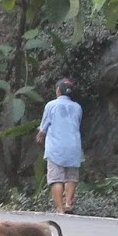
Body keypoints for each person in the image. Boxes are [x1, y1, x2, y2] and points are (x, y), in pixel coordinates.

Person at [37, 77, 84, 213]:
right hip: (74, 146)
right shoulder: (77, 107)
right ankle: (68, 203)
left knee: (56, 178)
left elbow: (44, 126)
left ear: (58, 90)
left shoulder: (51, 105)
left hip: (56, 147)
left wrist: (40, 135)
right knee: (71, 177)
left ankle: (60, 208)